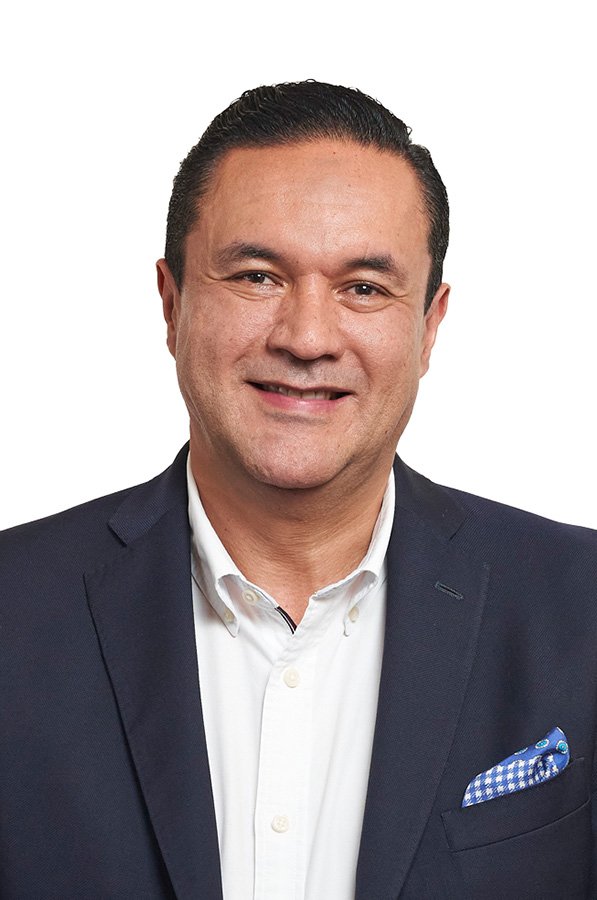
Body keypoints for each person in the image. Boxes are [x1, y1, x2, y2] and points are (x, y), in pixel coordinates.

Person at [0, 81, 595, 900]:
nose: (308, 338)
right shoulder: (15, 607)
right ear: (171, 303)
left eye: (363, 288)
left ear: (428, 327)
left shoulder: (579, 605)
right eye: (256, 276)